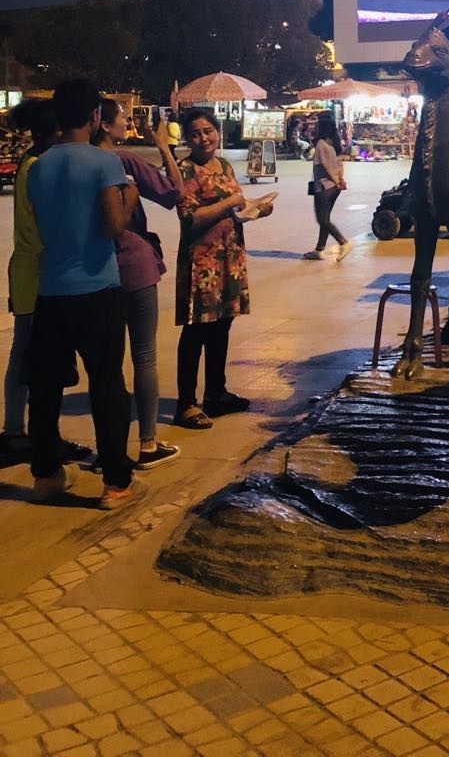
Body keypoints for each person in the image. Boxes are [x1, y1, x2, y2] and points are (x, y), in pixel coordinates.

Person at [24, 78, 141, 509]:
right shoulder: (101, 164)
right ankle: (116, 483)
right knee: (107, 385)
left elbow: (41, 224)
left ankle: (46, 476)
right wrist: (130, 197)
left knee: (46, 387)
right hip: (97, 290)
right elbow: (113, 226)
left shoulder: (38, 165)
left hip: (51, 290)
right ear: (95, 117)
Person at [1, 99, 92, 469]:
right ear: (52, 132)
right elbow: (41, 227)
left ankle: (17, 431)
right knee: (31, 356)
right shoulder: (37, 166)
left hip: (31, 270)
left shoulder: (32, 162)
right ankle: (24, 435)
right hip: (36, 272)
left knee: (25, 351)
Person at [92, 100, 182, 469]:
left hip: (94, 272)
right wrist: (163, 146)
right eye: (123, 119)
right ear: (102, 122)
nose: (127, 124)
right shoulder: (122, 161)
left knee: (106, 362)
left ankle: (110, 448)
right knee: (143, 355)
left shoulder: (70, 163)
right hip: (134, 264)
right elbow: (173, 193)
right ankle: (147, 442)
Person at [174, 109, 271, 429]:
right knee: (196, 331)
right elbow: (190, 219)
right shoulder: (186, 170)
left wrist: (257, 207)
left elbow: (237, 205)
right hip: (203, 261)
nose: (204, 138)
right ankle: (186, 403)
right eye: (195, 134)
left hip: (229, 256)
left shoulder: (224, 165)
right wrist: (230, 204)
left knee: (222, 327)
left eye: (208, 131)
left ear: (218, 133)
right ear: (187, 139)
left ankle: (216, 393)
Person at [303, 112, 352, 262]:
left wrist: (334, 180)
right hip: (334, 188)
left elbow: (323, 165)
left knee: (322, 219)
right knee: (325, 218)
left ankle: (344, 242)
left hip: (324, 186)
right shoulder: (333, 144)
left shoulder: (320, 144)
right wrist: (340, 179)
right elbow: (340, 164)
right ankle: (319, 249)